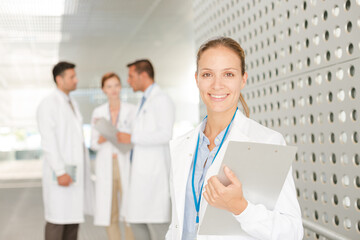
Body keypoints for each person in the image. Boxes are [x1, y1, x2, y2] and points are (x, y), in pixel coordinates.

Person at [165, 37, 304, 240]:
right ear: (196, 79)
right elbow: (177, 224)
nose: (217, 85)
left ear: (243, 79)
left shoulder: (267, 142)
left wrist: (241, 208)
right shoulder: (181, 146)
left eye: (228, 74)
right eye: (207, 74)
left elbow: (292, 232)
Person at [117, 59, 175, 240]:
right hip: (141, 173)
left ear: (143, 75)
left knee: (158, 226)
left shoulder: (161, 99)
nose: (128, 81)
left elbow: (166, 134)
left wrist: (132, 137)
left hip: (154, 174)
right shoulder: (144, 101)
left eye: (131, 76)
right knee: (135, 220)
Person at [37, 61, 94, 240]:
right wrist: (60, 171)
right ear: (59, 79)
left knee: (72, 222)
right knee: (57, 222)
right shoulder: (49, 104)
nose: (76, 80)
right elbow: (48, 141)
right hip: (61, 174)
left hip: (74, 173)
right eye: (72, 77)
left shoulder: (72, 103)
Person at [90, 72, 136, 240]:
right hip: (107, 165)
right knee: (110, 210)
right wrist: (101, 139)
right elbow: (93, 144)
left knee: (129, 209)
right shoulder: (98, 112)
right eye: (109, 86)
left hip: (125, 163)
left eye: (116, 85)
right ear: (103, 90)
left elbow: (136, 137)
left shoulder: (131, 110)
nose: (113, 89)